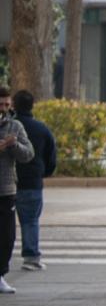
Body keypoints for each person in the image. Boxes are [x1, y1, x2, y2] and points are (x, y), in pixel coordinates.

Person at [9, 92, 52, 270]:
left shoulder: (8, 127)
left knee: (5, 222)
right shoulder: (41, 129)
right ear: (32, 105)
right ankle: (31, 257)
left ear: (13, 105)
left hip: (8, 182)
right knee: (30, 221)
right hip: (32, 182)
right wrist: (44, 173)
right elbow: (51, 156)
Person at [0, 101, 30, 293]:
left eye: (7, 104)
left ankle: (0, 275)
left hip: (6, 189)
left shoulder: (15, 126)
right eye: (0, 103)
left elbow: (28, 154)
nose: (4, 107)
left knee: (7, 236)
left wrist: (14, 145)